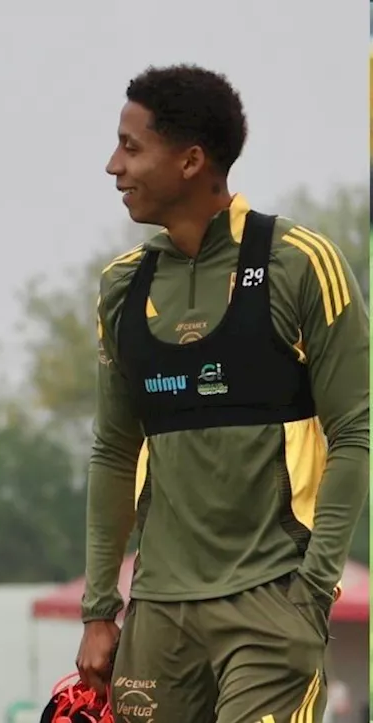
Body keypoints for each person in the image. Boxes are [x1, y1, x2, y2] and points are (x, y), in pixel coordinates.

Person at [76, 63, 369, 722]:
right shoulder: (122, 287)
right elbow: (114, 454)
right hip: (156, 619)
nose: (112, 166)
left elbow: (355, 433)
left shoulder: (301, 262)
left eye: (131, 146)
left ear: (190, 161)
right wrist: (100, 611)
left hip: (271, 608)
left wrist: (313, 593)